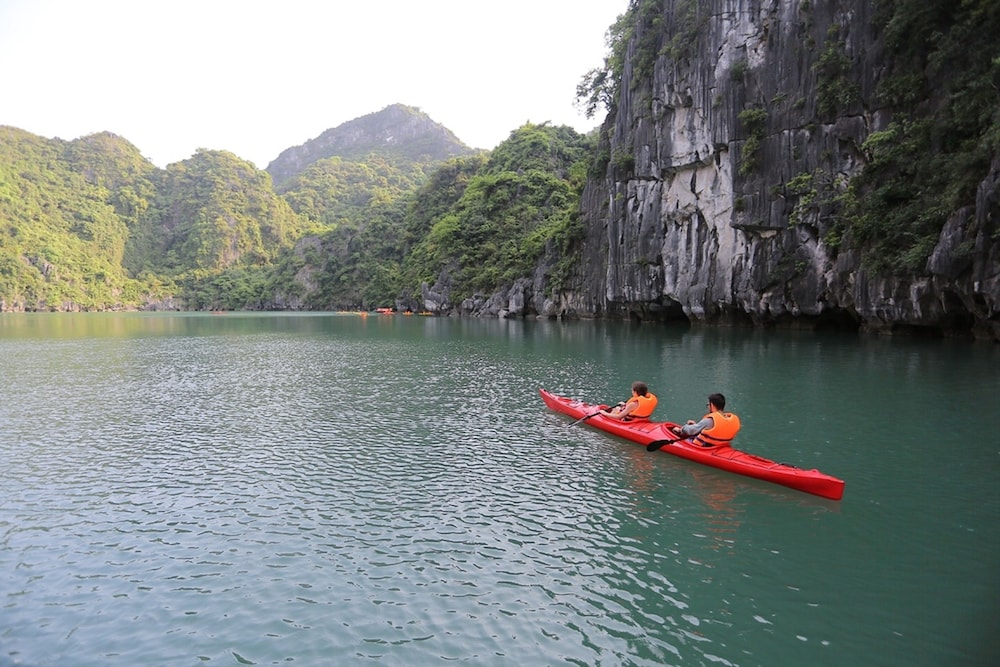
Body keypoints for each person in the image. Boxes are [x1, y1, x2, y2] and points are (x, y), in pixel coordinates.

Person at [671, 393, 740, 447]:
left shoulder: (709, 420)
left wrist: (681, 429)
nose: (708, 407)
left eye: (708, 405)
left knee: (677, 436)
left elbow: (690, 431)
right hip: (720, 446)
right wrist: (696, 425)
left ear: (712, 405)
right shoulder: (727, 418)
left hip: (706, 446)